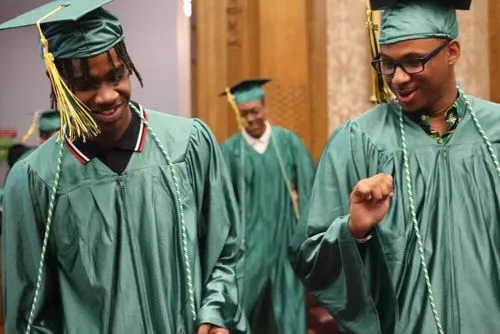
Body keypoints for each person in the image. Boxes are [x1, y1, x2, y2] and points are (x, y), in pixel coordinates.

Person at [0, 1, 246, 333]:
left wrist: (215, 315)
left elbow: (224, 252)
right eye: (86, 83)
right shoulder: (36, 180)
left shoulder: (187, 145)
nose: (106, 95)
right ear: (57, 82)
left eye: (116, 76)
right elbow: (31, 310)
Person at [289, 0, 500, 333]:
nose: (398, 78)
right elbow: (308, 255)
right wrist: (352, 231)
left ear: (453, 51)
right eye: (386, 64)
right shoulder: (357, 141)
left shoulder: (495, 133)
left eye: (413, 62)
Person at [220, 79, 315, 333]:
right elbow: (222, 204)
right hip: (249, 244)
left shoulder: (287, 142)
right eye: (244, 114)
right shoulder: (230, 151)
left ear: (264, 108)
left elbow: (309, 188)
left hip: (285, 241)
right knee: (242, 308)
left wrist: (305, 236)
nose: (250, 118)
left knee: (290, 311)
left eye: (255, 111)